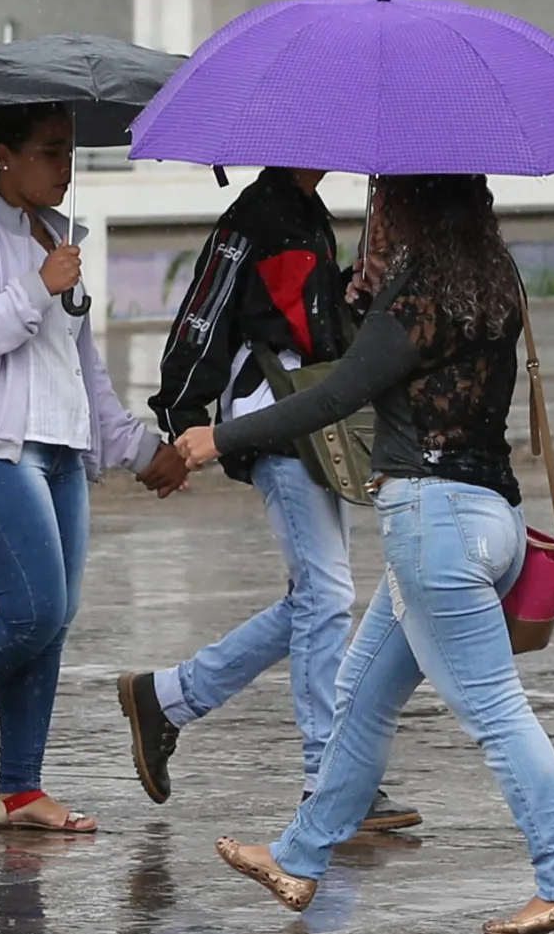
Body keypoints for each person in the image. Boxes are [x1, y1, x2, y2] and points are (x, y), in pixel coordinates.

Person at [177, 174, 554, 934]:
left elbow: (339, 393)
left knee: (497, 713)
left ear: (405, 204)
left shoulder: (417, 292)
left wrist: (222, 437)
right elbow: (416, 369)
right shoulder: (492, 278)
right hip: (494, 516)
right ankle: (299, 860)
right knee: (363, 693)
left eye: (386, 199)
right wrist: (370, 295)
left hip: (434, 524)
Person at [0, 102, 188, 833]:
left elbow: (81, 371)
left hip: (57, 452)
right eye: (50, 151)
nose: (66, 165)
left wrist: (143, 451)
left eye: (70, 150)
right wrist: (34, 287)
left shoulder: (58, 240)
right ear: (3, 156)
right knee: (34, 610)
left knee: (50, 621)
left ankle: (19, 788)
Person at [118, 164, 419, 833]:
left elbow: (312, 324)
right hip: (271, 424)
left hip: (314, 423)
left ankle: (166, 697)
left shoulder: (311, 213)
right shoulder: (252, 218)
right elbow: (202, 317)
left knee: (317, 599)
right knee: (327, 595)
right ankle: (329, 779)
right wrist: (182, 420)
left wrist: (354, 293)